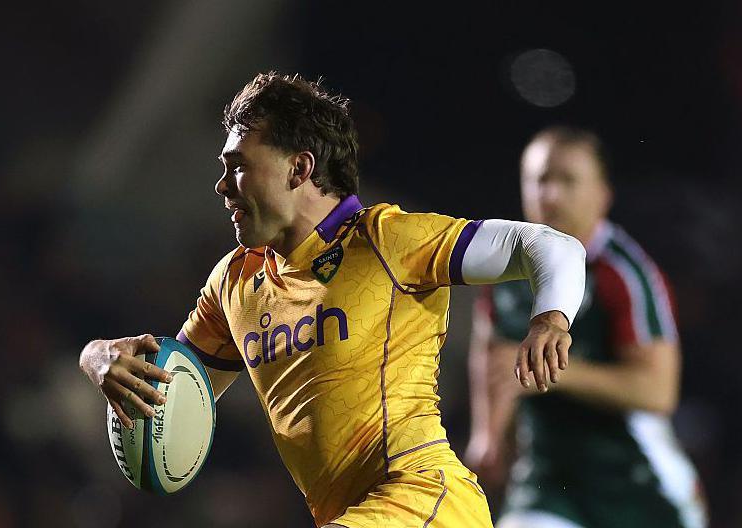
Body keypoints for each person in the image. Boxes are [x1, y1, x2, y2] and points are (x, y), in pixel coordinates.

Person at [78, 72, 587, 528]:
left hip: (428, 502)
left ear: (299, 168)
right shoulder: (234, 284)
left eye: (237, 167)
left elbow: (551, 246)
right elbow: (177, 394)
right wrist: (98, 357)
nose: (221, 186)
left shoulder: (385, 240)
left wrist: (550, 319)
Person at [465, 126, 708, 528]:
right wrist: (487, 435)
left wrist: (553, 370)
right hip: (547, 479)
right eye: (541, 179)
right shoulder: (503, 272)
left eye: (568, 180)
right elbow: (490, 351)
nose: (552, 195)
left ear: (603, 196)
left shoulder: (627, 276)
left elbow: (658, 391)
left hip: (639, 489)